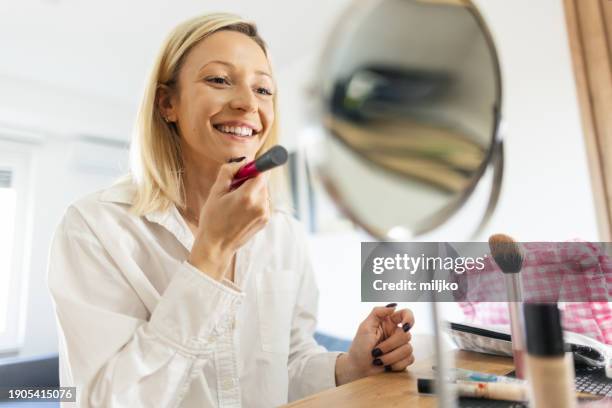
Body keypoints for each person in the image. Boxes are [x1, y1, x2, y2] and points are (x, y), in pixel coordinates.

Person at [47, 13, 415, 407]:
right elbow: (103, 400)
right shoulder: (95, 228)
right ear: (167, 103)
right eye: (219, 80)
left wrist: (350, 366)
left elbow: (287, 365)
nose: (246, 104)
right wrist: (211, 256)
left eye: (263, 89)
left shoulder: (284, 232)